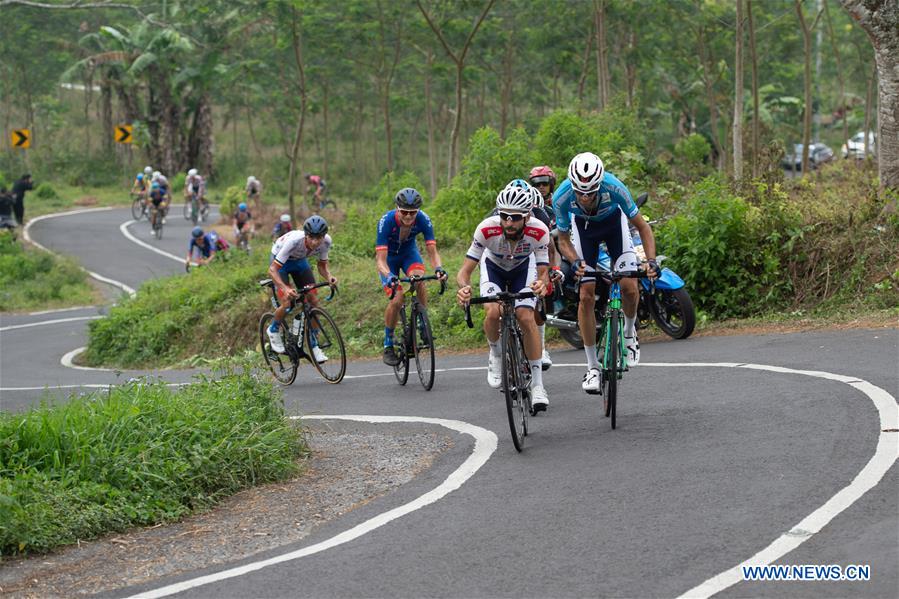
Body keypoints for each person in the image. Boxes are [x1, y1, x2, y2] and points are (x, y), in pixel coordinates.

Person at [552, 152, 659, 394]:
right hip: (584, 232)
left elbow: (642, 227)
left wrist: (651, 261)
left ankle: (630, 334)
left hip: (614, 227)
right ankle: (592, 367)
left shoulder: (615, 187)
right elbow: (564, 241)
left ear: (600, 185)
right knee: (586, 295)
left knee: (629, 287)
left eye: (591, 191)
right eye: (580, 191)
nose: (585, 197)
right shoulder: (561, 197)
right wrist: (575, 260)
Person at [456, 181, 551, 412]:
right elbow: (465, 271)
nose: (509, 222)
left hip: (523, 268)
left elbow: (543, 271)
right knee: (492, 311)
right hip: (493, 268)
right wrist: (464, 288)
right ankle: (497, 354)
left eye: (515, 217)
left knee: (525, 316)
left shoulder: (539, 231)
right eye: (505, 216)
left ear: (527, 217)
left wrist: (541, 284)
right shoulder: (486, 229)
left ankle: (538, 386)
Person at [375, 187, 447, 366]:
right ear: (397, 209)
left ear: (418, 211)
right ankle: (388, 343)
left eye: (412, 213)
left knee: (419, 280)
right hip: (389, 261)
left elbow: (432, 251)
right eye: (404, 212)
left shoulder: (423, 219)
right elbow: (380, 261)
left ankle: (422, 325)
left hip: (409, 255)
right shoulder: (386, 221)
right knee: (397, 299)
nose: (408, 216)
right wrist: (390, 276)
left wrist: (438, 268)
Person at [266, 215, 337, 362]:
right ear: (306, 235)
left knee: (313, 301)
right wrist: (285, 289)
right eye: (311, 238)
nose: (315, 242)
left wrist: (329, 277)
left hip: (300, 262)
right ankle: (273, 329)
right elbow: (272, 270)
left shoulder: (326, 242)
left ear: (324, 236)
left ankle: (314, 344)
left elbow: (322, 266)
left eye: (319, 238)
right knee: (287, 301)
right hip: (281, 263)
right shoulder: (294, 242)